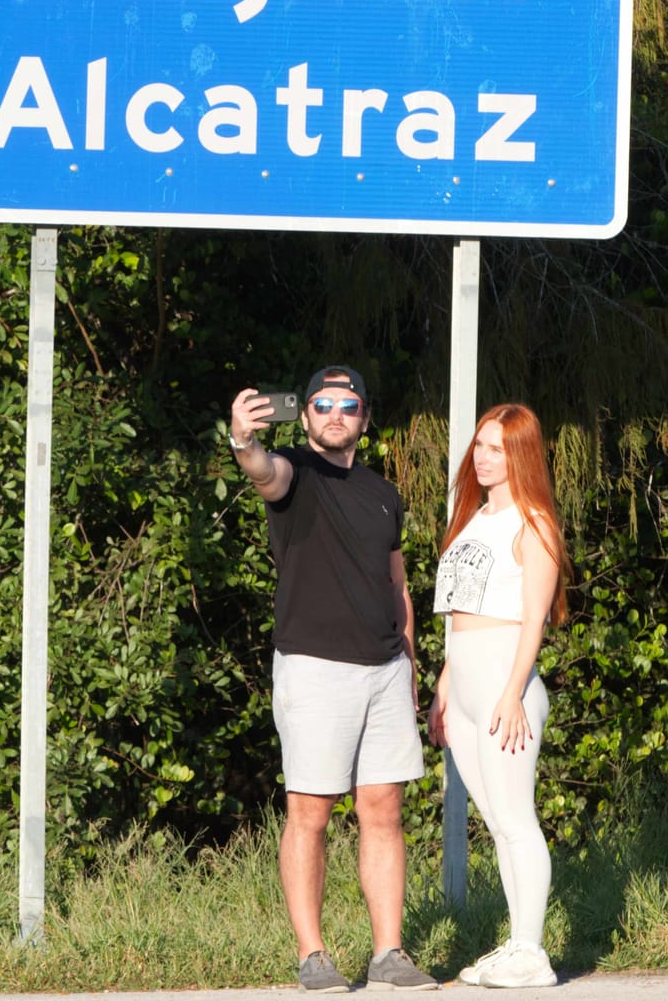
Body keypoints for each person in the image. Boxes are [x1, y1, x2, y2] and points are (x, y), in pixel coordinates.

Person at [230, 366, 440, 994]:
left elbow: (397, 585)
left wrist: (408, 665)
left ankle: (389, 953)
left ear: (365, 419)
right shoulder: (296, 473)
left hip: (385, 672)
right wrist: (244, 443)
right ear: (307, 414)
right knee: (310, 813)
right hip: (316, 670)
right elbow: (264, 475)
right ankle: (313, 956)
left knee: (383, 811)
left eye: (348, 405)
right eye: (322, 403)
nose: (334, 413)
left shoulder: (383, 493)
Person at [427, 403, 569, 990]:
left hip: (504, 685)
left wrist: (512, 694)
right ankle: (517, 944)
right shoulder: (473, 516)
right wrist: (444, 685)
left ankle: (532, 953)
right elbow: (459, 613)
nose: (483, 458)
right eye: (480, 446)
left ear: (522, 454)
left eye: (497, 448)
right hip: (463, 682)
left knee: (515, 820)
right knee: (497, 821)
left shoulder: (534, 522)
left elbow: (534, 619)